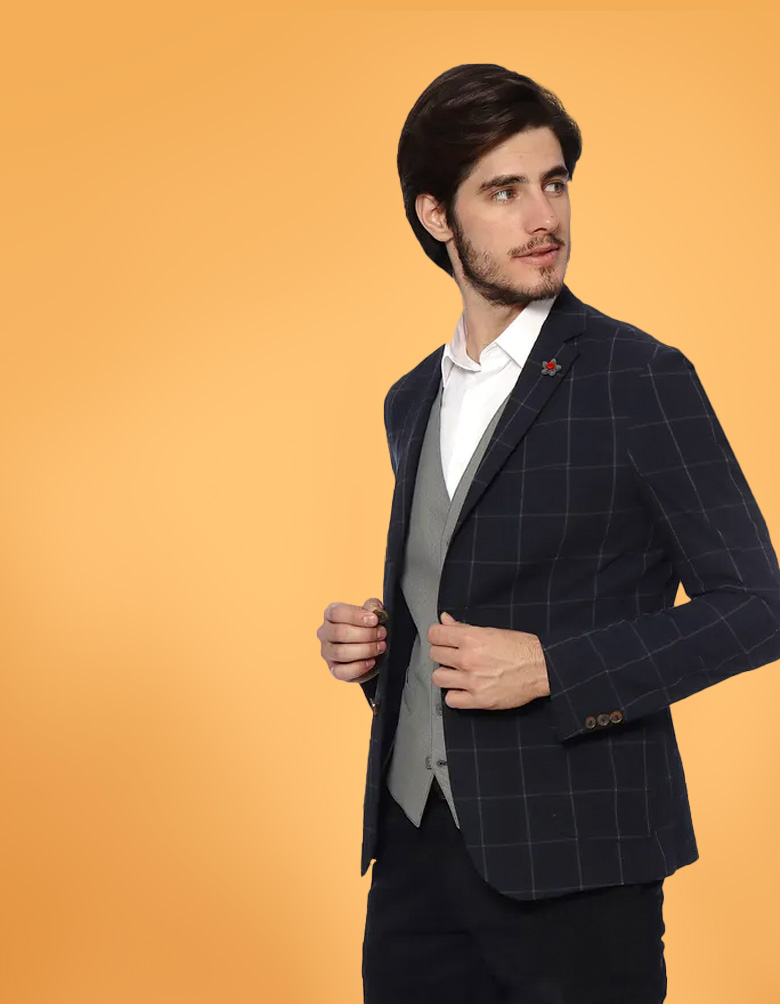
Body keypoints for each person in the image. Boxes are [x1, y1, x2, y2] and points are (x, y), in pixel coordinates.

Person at [316, 63, 780, 1004]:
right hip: (414, 858)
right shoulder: (412, 399)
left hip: (580, 864)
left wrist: (554, 670)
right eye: (504, 191)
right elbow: (464, 584)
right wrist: (380, 654)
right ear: (437, 216)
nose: (544, 217)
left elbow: (757, 607)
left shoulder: (637, 377)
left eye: (555, 182)